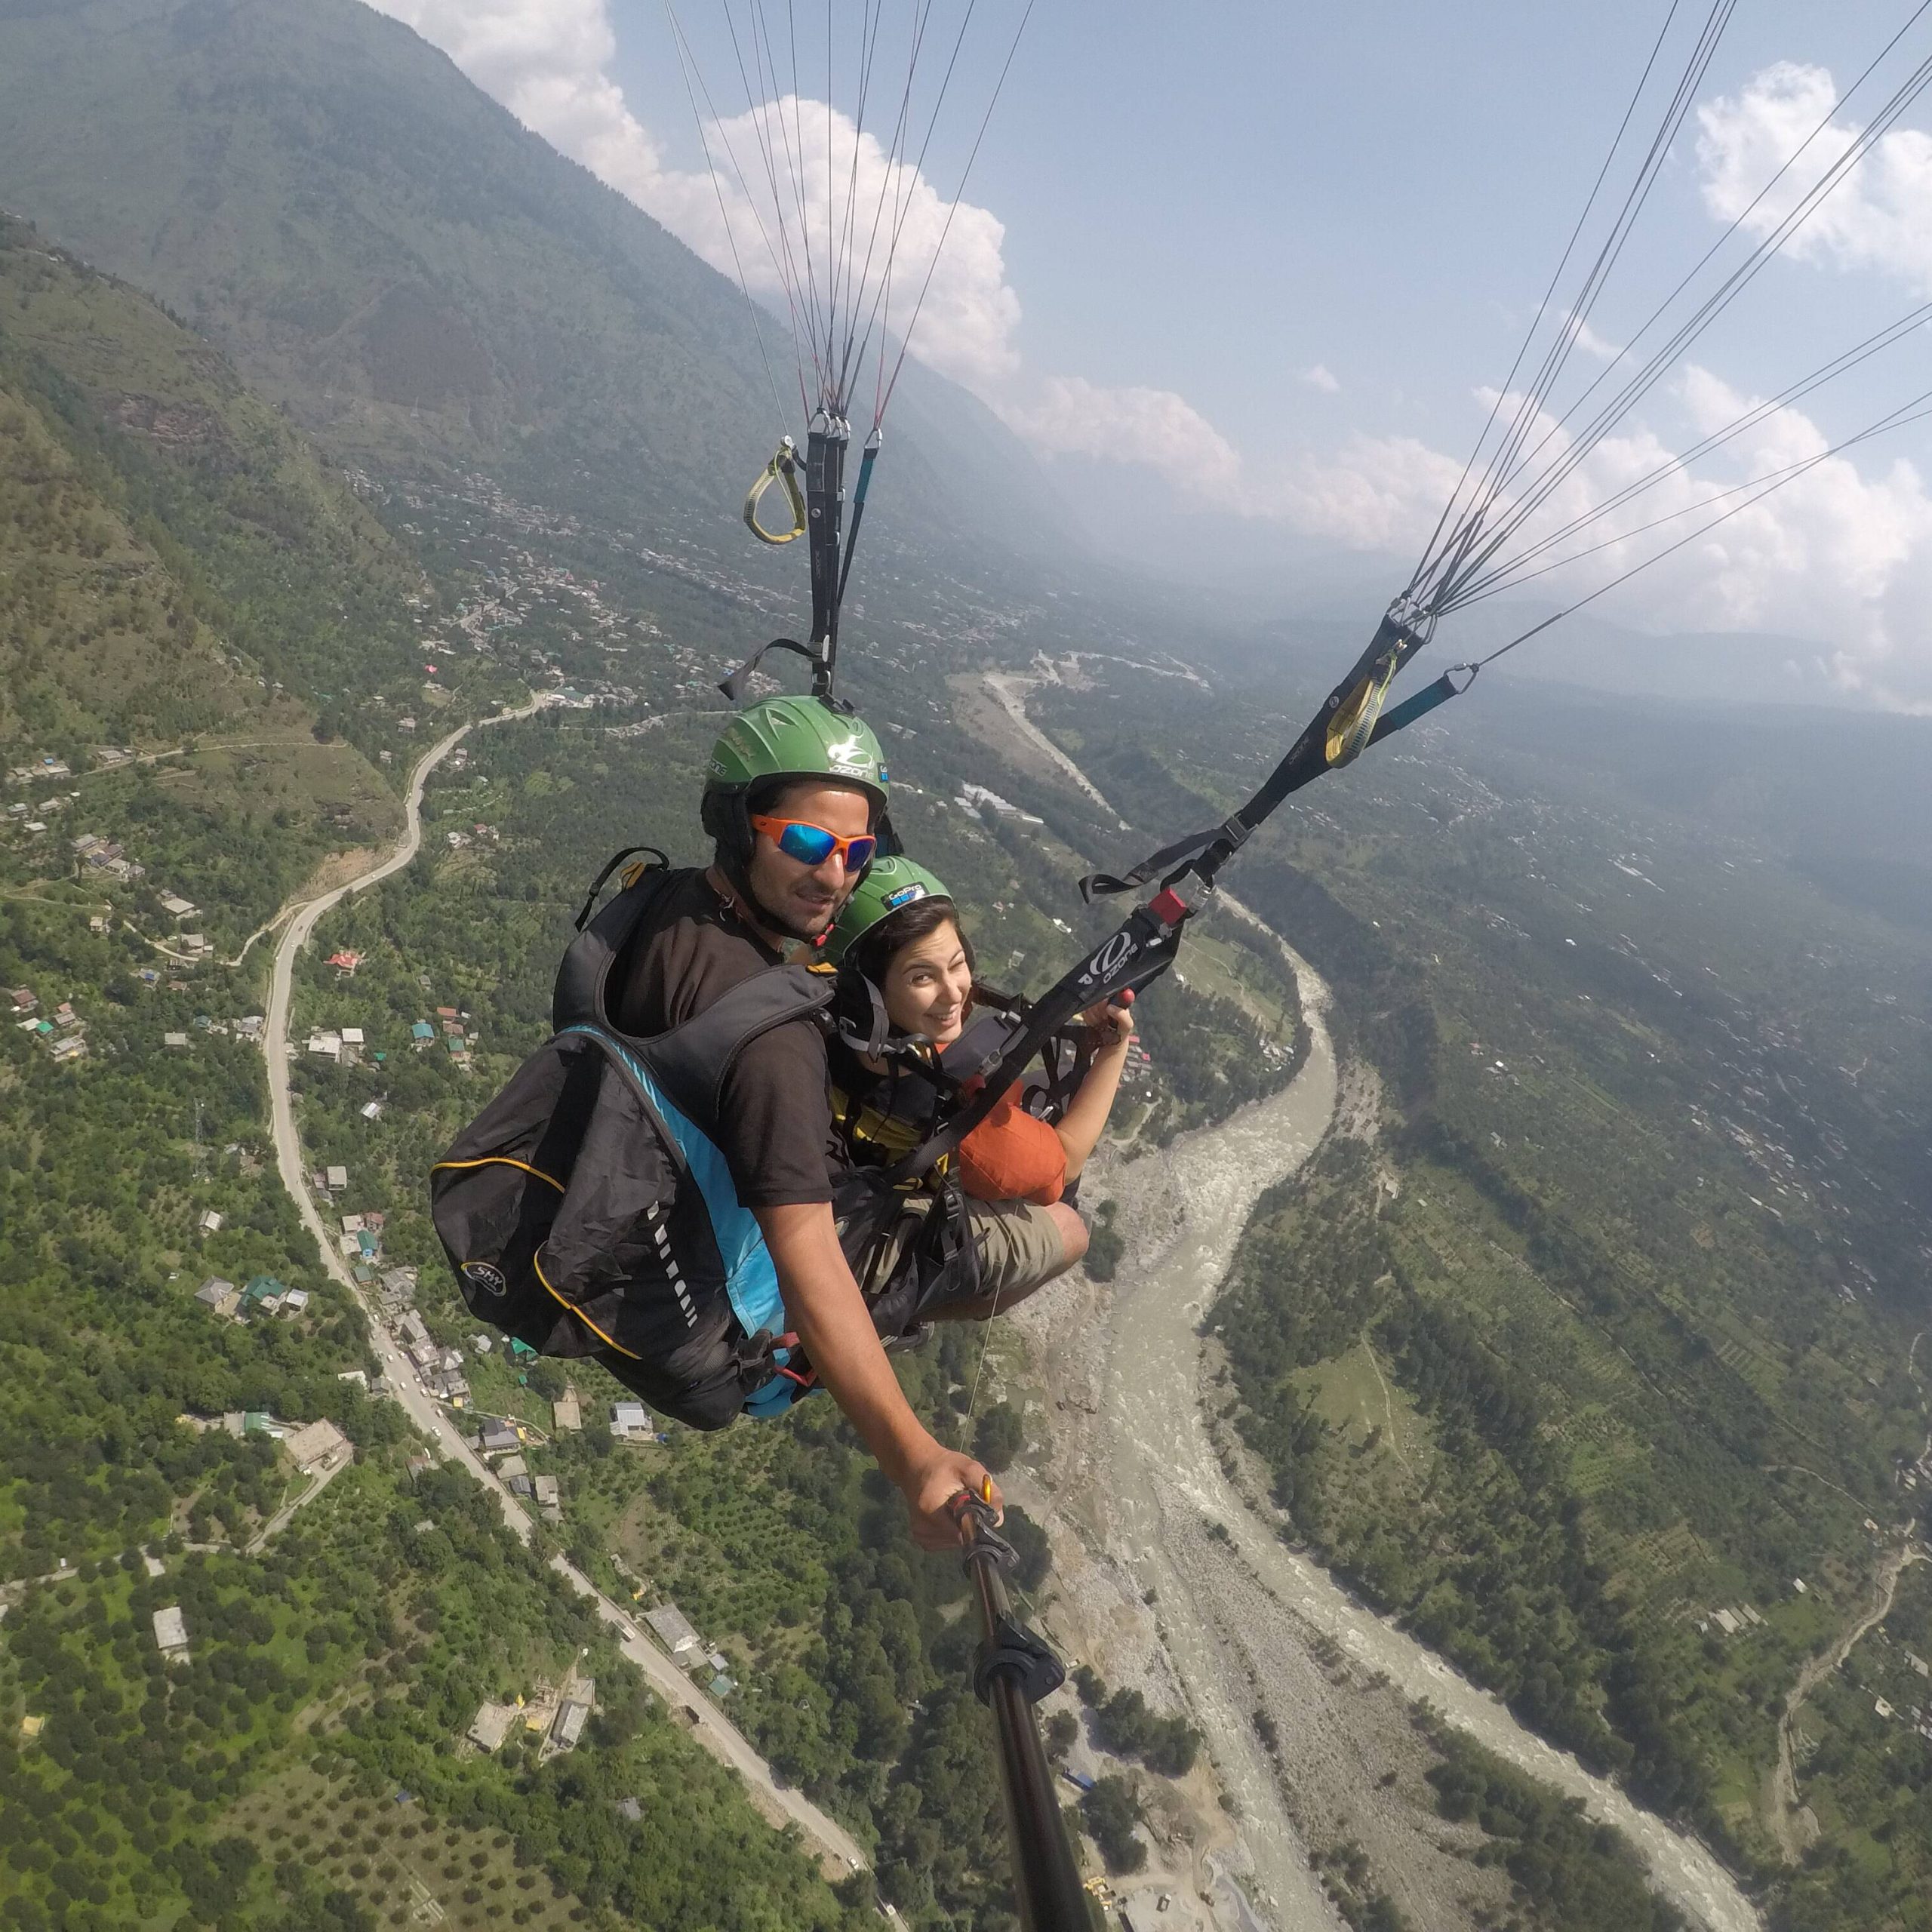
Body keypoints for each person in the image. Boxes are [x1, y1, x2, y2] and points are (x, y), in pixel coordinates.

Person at [603, 696, 996, 1550]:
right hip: (716, 1327)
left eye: (857, 853)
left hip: (637, 1219)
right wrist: (914, 1457)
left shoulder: (663, 904)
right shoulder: (771, 1040)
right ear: (739, 827)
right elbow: (809, 1256)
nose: (836, 877)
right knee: (1047, 1234)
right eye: (809, 844)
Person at [819, 854, 1135, 1342]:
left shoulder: (818, 993)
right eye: (922, 977)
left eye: (957, 964)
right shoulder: (960, 1117)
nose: (954, 991)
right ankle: (895, 1314)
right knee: (1072, 1229)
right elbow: (1065, 1165)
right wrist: (1114, 1051)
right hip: (869, 1222)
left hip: (848, 1167)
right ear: (872, 995)